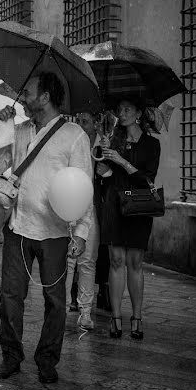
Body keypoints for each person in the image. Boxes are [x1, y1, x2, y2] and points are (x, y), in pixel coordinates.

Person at [0, 72, 93, 385]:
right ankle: (11, 355)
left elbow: (82, 185)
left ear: (46, 96)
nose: (23, 96)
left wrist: (81, 231)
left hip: (56, 232)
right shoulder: (19, 129)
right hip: (18, 226)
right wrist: (0, 126)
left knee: (56, 300)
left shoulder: (75, 135)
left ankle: (47, 359)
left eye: (29, 91)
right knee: (10, 296)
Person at [99, 98, 161, 340]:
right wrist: (104, 160)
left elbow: (147, 180)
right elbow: (103, 173)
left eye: (127, 109)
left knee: (135, 261)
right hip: (114, 203)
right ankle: (115, 318)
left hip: (138, 205)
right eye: (119, 109)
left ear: (138, 113)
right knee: (115, 260)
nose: (121, 113)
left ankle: (136, 317)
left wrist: (121, 161)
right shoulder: (114, 140)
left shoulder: (151, 145)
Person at [64, 111, 107, 329]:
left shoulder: (101, 150)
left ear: (96, 124)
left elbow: (109, 179)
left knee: (88, 261)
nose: (81, 125)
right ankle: (62, 307)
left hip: (93, 211)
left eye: (85, 122)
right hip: (71, 207)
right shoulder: (71, 144)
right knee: (69, 260)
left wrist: (105, 171)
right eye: (78, 121)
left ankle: (86, 312)